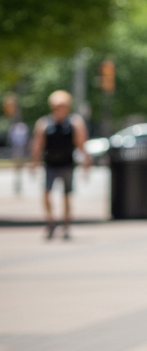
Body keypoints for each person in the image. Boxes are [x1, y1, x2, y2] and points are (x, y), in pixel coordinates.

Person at [28, 90, 91, 240]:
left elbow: (81, 144)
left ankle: (66, 225)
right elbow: (38, 145)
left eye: (61, 106)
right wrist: (34, 162)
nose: (58, 109)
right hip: (50, 164)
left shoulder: (75, 122)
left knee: (67, 196)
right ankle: (51, 222)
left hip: (67, 164)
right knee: (47, 194)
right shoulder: (44, 123)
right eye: (56, 106)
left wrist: (86, 161)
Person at [9, 118, 28, 196]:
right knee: (17, 162)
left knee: (19, 162)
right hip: (16, 147)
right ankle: (17, 169)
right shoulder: (14, 127)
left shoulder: (23, 127)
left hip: (21, 147)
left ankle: (19, 168)